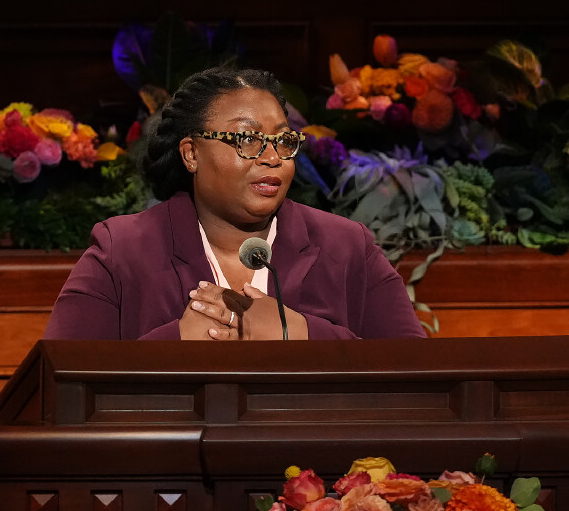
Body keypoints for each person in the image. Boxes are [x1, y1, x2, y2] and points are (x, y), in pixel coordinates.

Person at [44, 66, 426, 340]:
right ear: (191, 154)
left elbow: (416, 377)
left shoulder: (348, 246)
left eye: (283, 140)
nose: (272, 157)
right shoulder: (121, 250)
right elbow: (64, 384)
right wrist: (175, 343)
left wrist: (304, 334)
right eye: (247, 140)